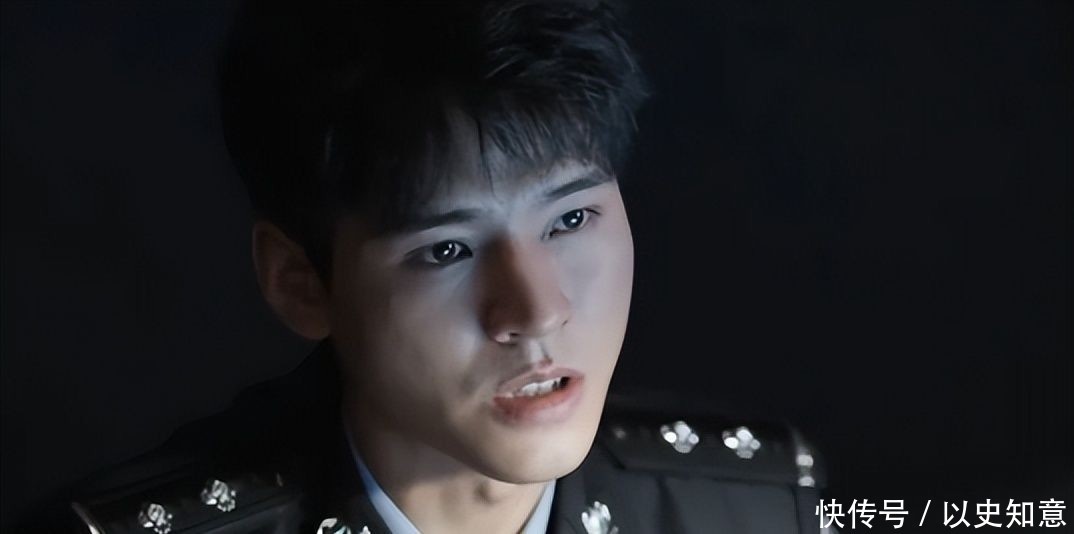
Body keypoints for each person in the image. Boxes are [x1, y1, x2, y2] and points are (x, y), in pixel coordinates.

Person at [45, 1, 825, 532]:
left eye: (570, 219)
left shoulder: (752, 508)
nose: (537, 309)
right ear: (299, 283)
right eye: (446, 250)